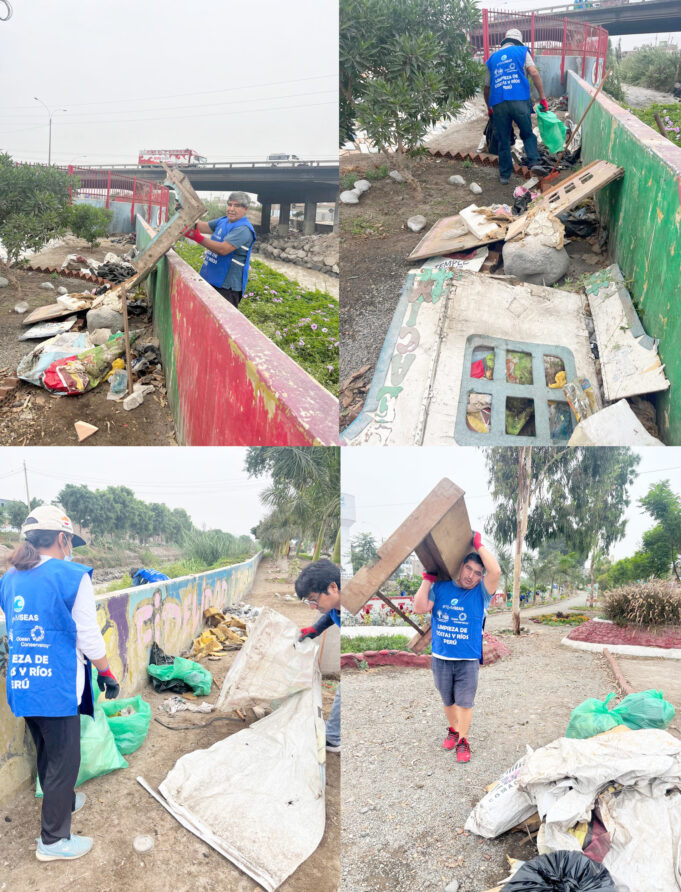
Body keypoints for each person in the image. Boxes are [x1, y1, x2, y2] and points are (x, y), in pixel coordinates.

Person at [0, 506, 120, 862]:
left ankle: (63, 801)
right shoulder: (72, 576)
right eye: (70, 542)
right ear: (63, 539)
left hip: (24, 682)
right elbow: (88, 635)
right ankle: (52, 841)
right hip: (57, 686)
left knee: (46, 750)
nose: (71, 549)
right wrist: (106, 672)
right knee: (65, 759)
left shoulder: (9, 578)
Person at [412, 532, 500, 763]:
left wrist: (478, 544)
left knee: (465, 702)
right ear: (461, 567)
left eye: (478, 573)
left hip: (467, 660)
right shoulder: (441, 588)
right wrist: (427, 579)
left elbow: (496, 572)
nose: (471, 575)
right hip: (441, 658)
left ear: (482, 577)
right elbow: (419, 607)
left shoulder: (481, 594)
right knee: (448, 700)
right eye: (469, 569)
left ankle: (463, 740)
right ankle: (453, 729)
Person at [483, 28, 549, 184]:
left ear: (505, 41)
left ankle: (504, 176)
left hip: (498, 102)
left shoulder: (492, 58)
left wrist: (489, 108)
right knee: (527, 133)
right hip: (519, 98)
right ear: (518, 41)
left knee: (503, 139)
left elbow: (486, 88)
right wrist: (542, 98)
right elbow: (533, 72)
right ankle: (534, 162)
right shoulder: (522, 51)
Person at [294, 558, 341, 753]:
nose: (312, 606)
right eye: (309, 601)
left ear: (333, 587)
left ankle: (333, 738)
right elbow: (332, 615)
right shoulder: (335, 605)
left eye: (314, 599)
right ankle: (333, 737)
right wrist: (316, 628)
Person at [183, 190, 257, 309]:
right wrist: (183, 214)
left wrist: (196, 237)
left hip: (226, 287)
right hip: (210, 279)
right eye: (229, 204)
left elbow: (223, 249)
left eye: (236, 206)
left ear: (245, 209)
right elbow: (202, 226)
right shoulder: (223, 221)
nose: (231, 209)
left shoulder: (244, 229)